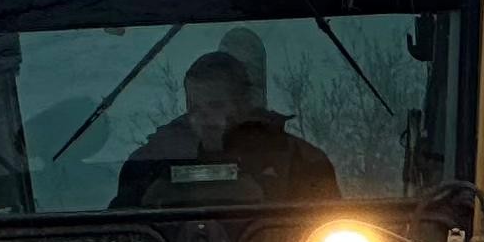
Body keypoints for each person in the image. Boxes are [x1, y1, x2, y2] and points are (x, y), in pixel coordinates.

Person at [112, 45, 339, 207]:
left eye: (216, 105)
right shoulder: (149, 167)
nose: (203, 118)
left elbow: (329, 230)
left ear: (242, 106)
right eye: (194, 108)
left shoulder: (300, 163)